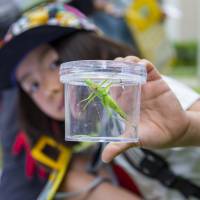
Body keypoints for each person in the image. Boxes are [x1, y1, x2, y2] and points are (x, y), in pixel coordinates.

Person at [0, 2, 200, 200]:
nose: (50, 88)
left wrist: (187, 128)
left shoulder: (143, 94)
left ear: (88, 46)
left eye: (55, 64)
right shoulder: (88, 140)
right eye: (33, 85)